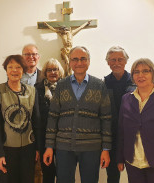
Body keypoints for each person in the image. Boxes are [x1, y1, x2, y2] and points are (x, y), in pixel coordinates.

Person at [43, 46, 112, 183]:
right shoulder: (61, 85)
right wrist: (49, 146)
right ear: (70, 62)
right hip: (64, 146)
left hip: (91, 147)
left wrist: (106, 149)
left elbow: (106, 118)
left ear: (89, 61)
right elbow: (53, 116)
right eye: (75, 59)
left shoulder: (99, 85)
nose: (79, 63)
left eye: (83, 59)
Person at [0, 55, 41, 183]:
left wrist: (37, 148)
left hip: (28, 149)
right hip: (6, 149)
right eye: (10, 67)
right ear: (6, 70)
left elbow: (36, 122)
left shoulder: (32, 91)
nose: (14, 70)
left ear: (23, 70)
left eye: (18, 67)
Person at [103, 46, 135, 183]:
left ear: (126, 61)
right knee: (112, 176)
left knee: (136, 175)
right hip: (112, 137)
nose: (116, 63)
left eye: (120, 59)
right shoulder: (102, 84)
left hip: (132, 137)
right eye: (113, 60)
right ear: (108, 62)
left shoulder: (135, 82)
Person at [35, 58, 64, 183]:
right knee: (48, 172)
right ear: (45, 72)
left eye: (55, 69)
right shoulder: (37, 89)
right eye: (49, 70)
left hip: (64, 137)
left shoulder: (67, 88)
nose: (52, 72)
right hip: (44, 137)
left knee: (64, 172)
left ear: (60, 71)